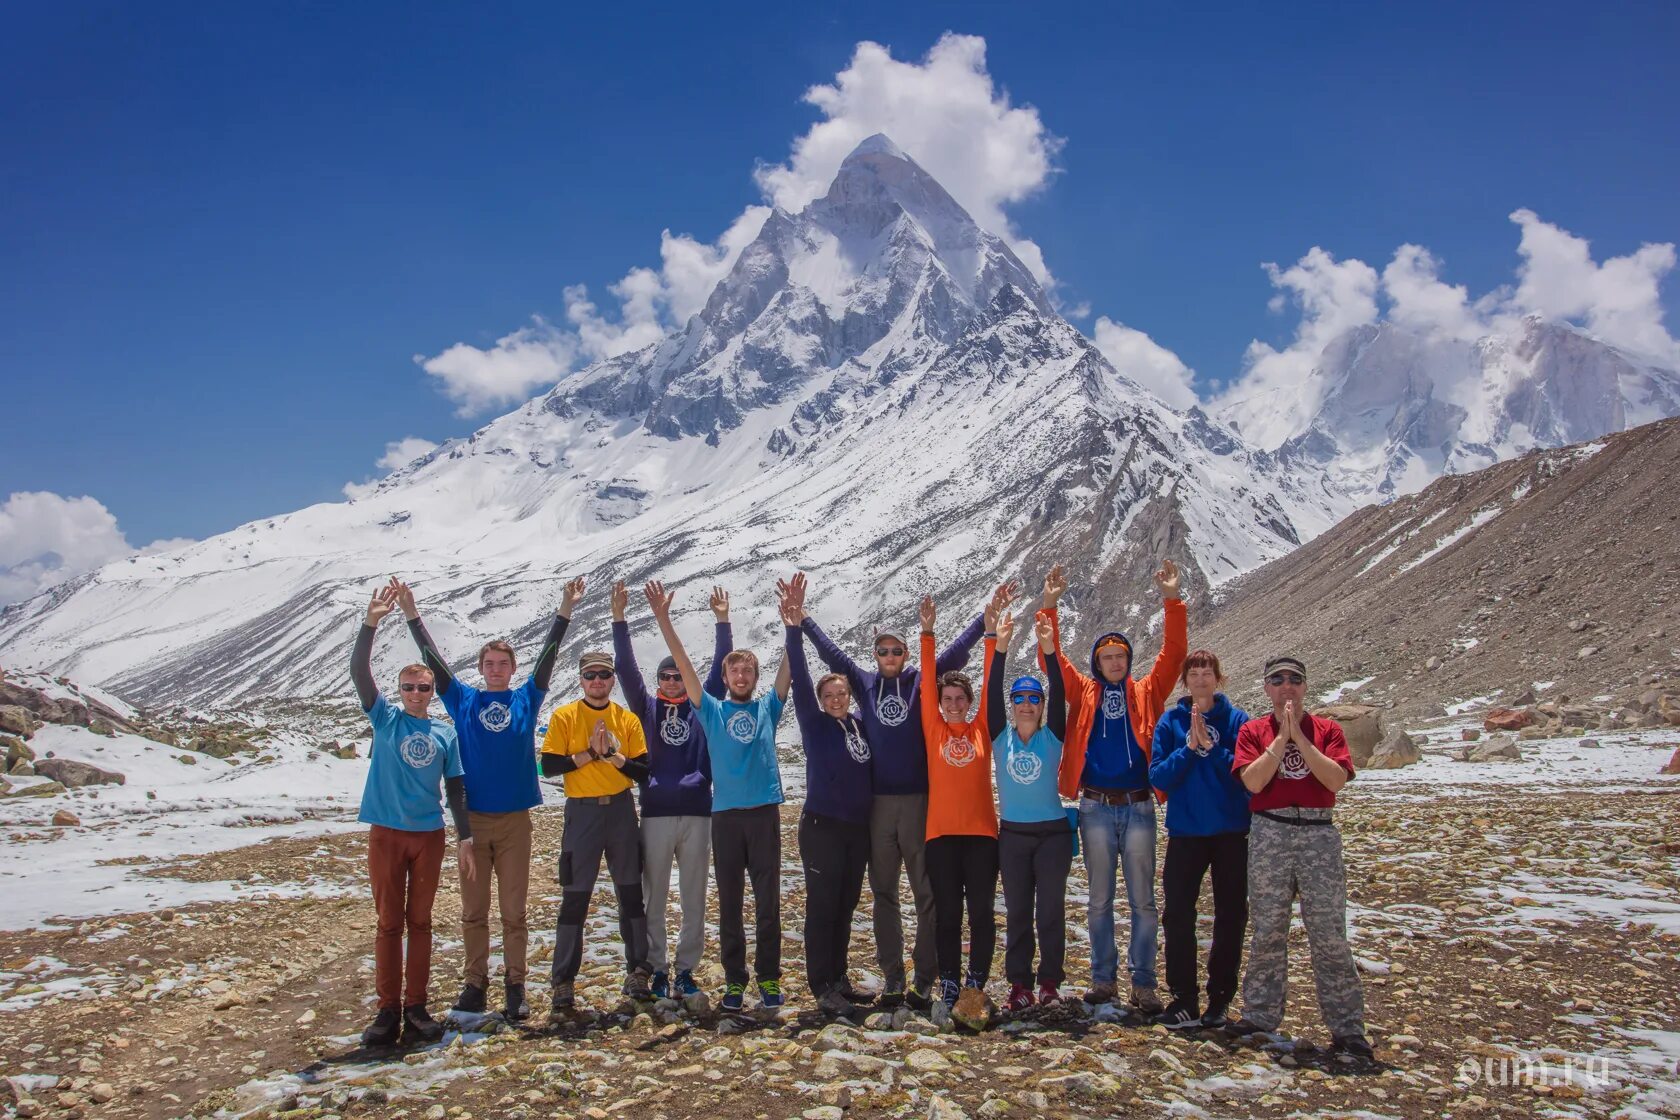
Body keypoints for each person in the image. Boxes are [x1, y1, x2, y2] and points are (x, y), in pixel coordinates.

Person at [798, 583, 1008, 1007]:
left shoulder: (920, 681)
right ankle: (893, 973)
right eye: (883, 651)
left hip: (918, 802)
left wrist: (982, 625)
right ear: (875, 655)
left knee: (926, 891)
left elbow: (952, 653)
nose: (890, 658)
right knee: (883, 891)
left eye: (897, 651)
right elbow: (832, 656)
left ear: (907, 655)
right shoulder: (863, 683)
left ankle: (926, 975)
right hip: (878, 805)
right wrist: (802, 621)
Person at [398, 575, 583, 1020]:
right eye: (490, 663)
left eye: (503, 663)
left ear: (512, 669)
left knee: (514, 910)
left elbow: (549, 656)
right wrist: (411, 615)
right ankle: (474, 982)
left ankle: (516, 985)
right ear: (481, 668)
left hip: (516, 821)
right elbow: (434, 662)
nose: (496, 669)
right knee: (474, 909)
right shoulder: (461, 700)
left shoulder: (527, 699)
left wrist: (565, 609)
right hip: (473, 821)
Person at [1038, 560, 1188, 1012]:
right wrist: (1049, 605)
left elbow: (1175, 653)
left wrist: (1172, 599)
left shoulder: (1148, 691)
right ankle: (1103, 980)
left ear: (1128, 660)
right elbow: (1053, 656)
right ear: (1097, 663)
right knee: (1100, 899)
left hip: (1140, 806)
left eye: (1120, 656)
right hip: (1096, 807)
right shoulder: (1083, 691)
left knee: (1143, 900)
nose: (1115, 662)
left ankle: (1144, 983)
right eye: (1107, 657)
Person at [650, 580, 792, 1012]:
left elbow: (792, 667)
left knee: (767, 903)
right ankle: (735, 982)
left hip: (764, 812)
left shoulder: (769, 706)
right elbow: (684, 666)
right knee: (730, 904)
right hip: (725, 816)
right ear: (726, 677)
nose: (741, 675)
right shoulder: (710, 709)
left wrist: (793, 624)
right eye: (735, 670)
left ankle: (768, 978)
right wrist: (663, 620)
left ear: (755, 677)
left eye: (748, 670)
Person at [1225, 656, 1373, 1060]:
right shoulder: (1254, 731)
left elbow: (1335, 780)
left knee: (1328, 933)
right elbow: (1253, 782)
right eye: (1278, 680)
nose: (1286, 687)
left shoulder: (1327, 730)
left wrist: (1301, 740)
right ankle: (1259, 1014)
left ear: (1305, 686)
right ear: (1267, 688)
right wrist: (1279, 741)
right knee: (1268, 927)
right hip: (1270, 830)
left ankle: (1347, 1028)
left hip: (1318, 832)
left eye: (1294, 680)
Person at [351, 585, 475, 1046]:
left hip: (428, 835)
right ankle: (386, 1011)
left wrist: (465, 837)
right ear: (399, 691)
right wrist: (371, 623)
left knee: (420, 921)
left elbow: (456, 787)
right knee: (389, 921)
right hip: (386, 833)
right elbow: (359, 673)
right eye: (410, 687)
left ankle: (416, 1006)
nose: (418, 693)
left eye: (424, 687)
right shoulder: (385, 719)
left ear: (431, 692)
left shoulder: (444, 734)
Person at [611, 579, 731, 1001]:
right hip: (657, 813)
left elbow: (719, 668)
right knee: (654, 895)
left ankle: (686, 969)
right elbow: (625, 669)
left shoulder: (703, 705)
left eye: (679, 675)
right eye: (666, 676)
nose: (674, 681)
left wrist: (722, 622)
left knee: (695, 894)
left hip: (698, 812)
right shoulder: (646, 707)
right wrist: (619, 619)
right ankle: (657, 967)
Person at [539, 641, 655, 1013]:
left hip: (620, 811)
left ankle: (638, 970)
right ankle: (563, 981)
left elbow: (643, 771)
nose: (598, 681)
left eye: (604, 675)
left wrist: (613, 755)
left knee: (630, 892)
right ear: (581, 680)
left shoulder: (627, 719)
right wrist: (590, 752)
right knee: (575, 896)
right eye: (591, 675)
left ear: (612, 680)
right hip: (582, 812)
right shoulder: (565, 716)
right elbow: (550, 766)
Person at [779, 573, 874, 1018]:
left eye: (842, 693)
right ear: (820, 700)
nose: (837, 699)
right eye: (829, 695)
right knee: (822, 903)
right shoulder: (815, 724)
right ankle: (820, 984)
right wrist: (793, 627)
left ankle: (839, 977)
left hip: (857, 829)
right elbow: (798, 675)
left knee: (846, 902)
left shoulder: (858, 725)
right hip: (822, 827)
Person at [1147, 649, 1252, 1029]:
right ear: (1185, 681)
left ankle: (1220, 999)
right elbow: (1158, 777)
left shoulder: (1237, 719)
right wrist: (1189, 749)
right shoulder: (1170, 722)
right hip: (1186, 832)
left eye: (1208, 672)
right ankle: (1183, 998)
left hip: (1230, 832)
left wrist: (1214, 748)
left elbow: (1247, 772)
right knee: (1177, 914)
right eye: (1194, 673)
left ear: (1218, 679)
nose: (1201, 679)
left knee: (1230, 915)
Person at [918, 593, 1000, 1022]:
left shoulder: (982, 726)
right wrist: (927, 633)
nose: (952, 704)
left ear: (968, 702)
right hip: (941, 836)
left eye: (958, 698)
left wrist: (990, 635)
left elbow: (991, 680)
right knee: (948, 914)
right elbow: (926, 679)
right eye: (946, 698)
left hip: (983, 836)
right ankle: (949, 979)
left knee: (982, 913)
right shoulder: (932, 727)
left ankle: (976, 981)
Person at [986, 609, 1072, 1013]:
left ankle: (1050, 982)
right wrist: (999, 647)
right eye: (1018, 698)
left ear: (1041, 706)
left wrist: (1049, 649)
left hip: (1053, 835)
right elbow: (990, 692)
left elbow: (1058, 685)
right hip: (1014, 836)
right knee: (1018, 912)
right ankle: (1019, 984)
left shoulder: (1052, 736)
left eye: (1032, 699)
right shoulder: (999, 737)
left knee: (1050, 910)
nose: (1025, 704)